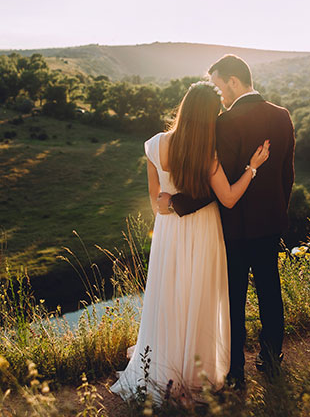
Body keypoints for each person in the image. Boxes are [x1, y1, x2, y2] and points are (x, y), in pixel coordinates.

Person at [110, 80, 270, 403]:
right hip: (203, 232)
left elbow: (158, 204)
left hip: (169, 234)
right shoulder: (208, 155)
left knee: (169, 297)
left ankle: (162, 371)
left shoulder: (154, 146)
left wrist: (171, 201)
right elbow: (227, 199)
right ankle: (195, 373)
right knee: (199, 298)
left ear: (184, 106)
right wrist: (252, 169)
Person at [158, 54, 295, 389]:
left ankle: (235, 370)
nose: (219, 95)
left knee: (232, 299)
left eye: (220, 86)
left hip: (233, 228)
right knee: (270, 291)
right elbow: (287, 175)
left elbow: (215, 186)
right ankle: (271, 359)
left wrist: (177, 204)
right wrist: (278, 213)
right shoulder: (281, 116)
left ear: (234, 81)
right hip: (269, 225)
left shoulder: (225, 123)